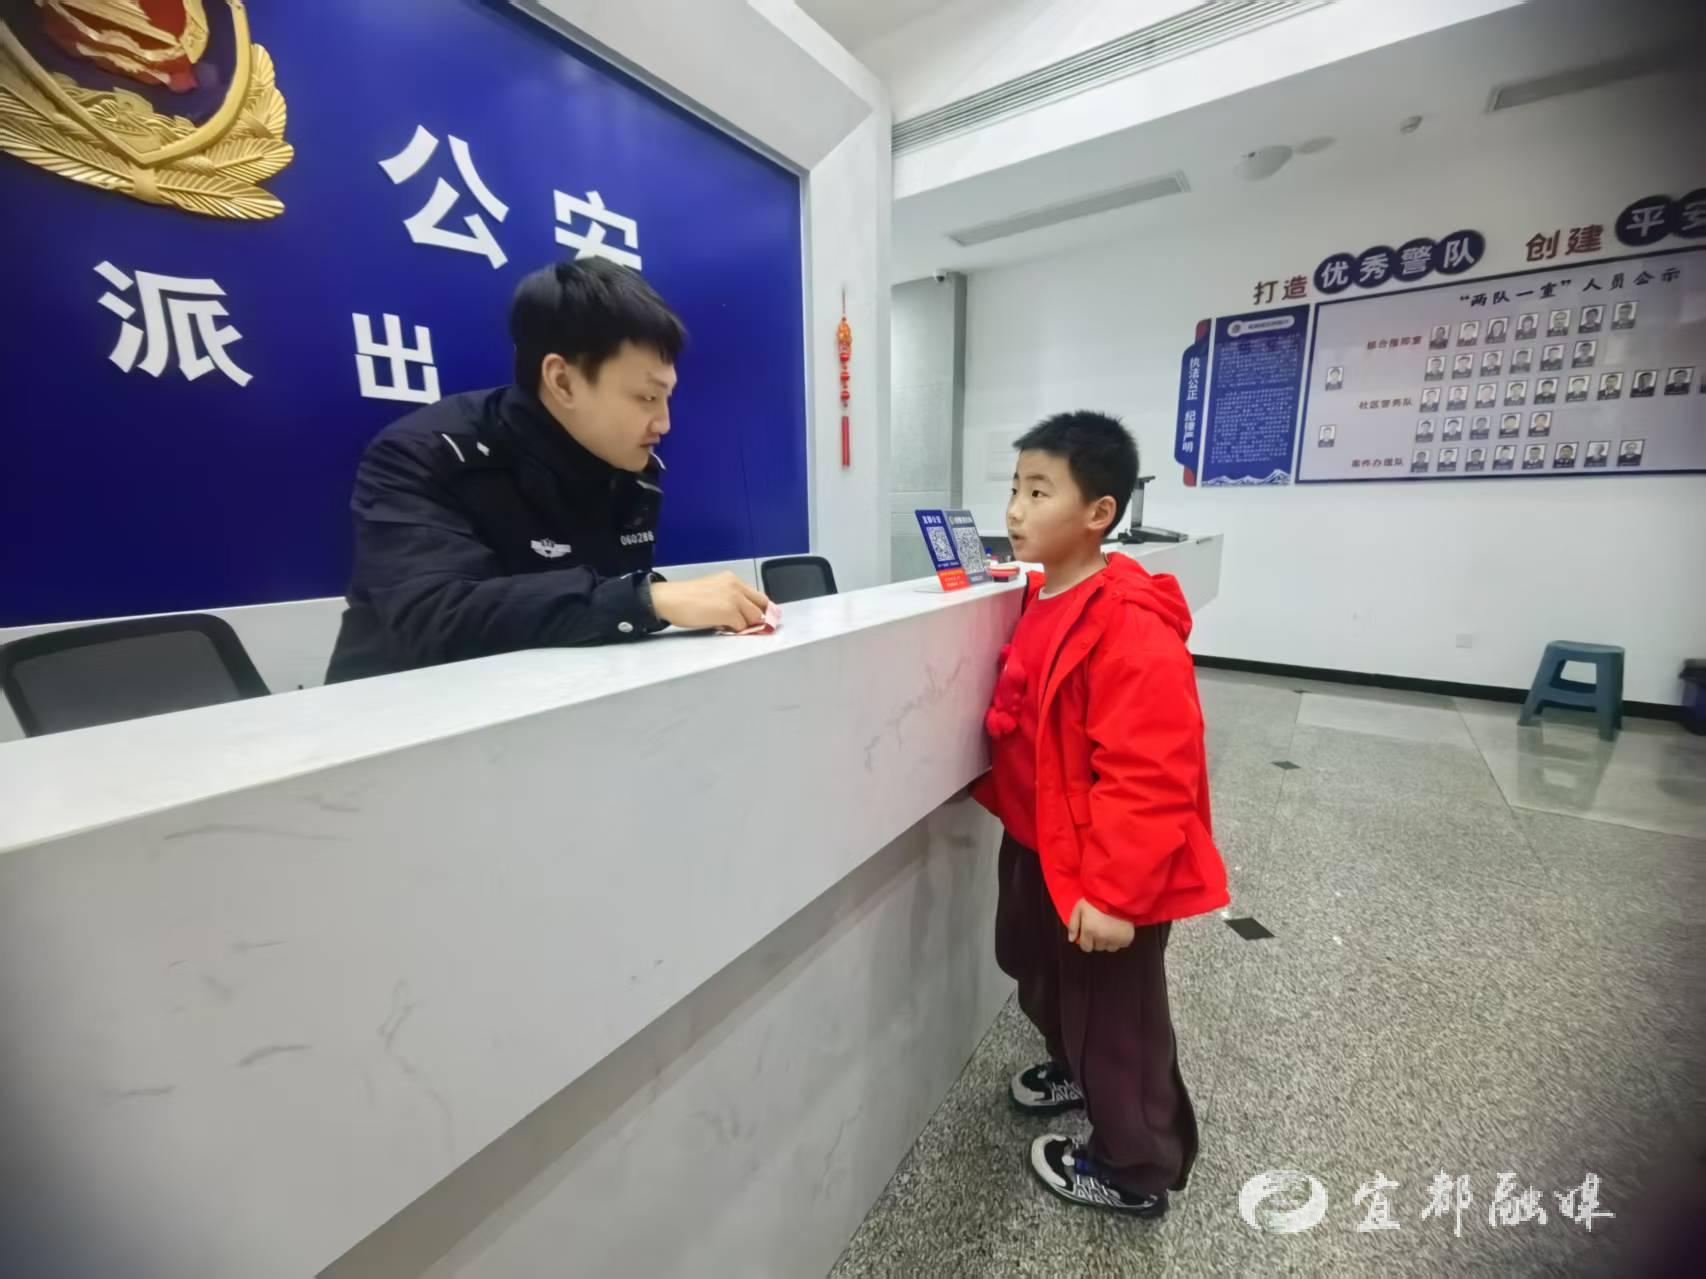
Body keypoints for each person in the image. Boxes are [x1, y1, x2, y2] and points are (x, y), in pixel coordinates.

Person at [973, 411, 1227, 1220]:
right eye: (1015, 488)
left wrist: (1115, 894)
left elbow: (1151, 771)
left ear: (1099, 512)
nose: (1015, 509)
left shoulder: (1127, 621)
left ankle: (1134, 1167)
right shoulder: (1043, 593)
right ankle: (1076, 1069)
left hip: (1107, 867)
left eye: (1038, 491)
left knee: (1120, 1022)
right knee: (1043, 974)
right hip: (1042, 842)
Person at [325, 259, 772, 682]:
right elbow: (434, 617)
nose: (664, 423)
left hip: (548, 709)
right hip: (398, 718)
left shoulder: (628, 469)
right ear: (562, 381)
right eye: (647, 397)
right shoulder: (427, 452)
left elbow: (590, 628)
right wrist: (644, 599)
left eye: (667, 397)